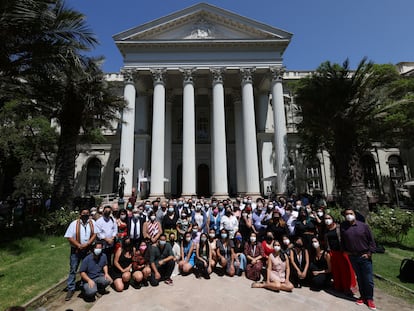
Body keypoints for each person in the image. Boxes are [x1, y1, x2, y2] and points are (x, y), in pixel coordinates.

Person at [341, 208, 376, 310]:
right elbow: (343, 240)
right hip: (353, 256)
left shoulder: (363, 226)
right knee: (360, 278)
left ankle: (370, 299)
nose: (349, 215)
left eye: (351, 213)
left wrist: (369, 254)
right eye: (347, 214)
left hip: (364, 256)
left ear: (355, 215)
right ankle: (363, 296)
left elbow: (372, 242)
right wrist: (345, 250)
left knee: (368, 279)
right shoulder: (344, 227)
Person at [64, 207, 97, 301]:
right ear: (80, 215)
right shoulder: (74, 224)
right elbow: (69, 237)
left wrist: (88, 243)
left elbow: (95, 234)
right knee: (73, 269)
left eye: (87, 213)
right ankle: (71, 288)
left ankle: (85, 285)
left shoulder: (92, 222)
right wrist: (78, 245)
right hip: (76, 250)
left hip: (88, 249)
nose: (85, 215)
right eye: (84, 214)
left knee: (87, 268)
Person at [324, 213, 357, 295]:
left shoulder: (339, 227)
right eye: (325, 218)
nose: (327, 220)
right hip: (333, 252)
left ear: (332, 219)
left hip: (342, 252)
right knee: (336, 271)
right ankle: (338, 286)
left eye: (329, 218)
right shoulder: (326, 229)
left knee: (345, 270)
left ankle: (347, 287)